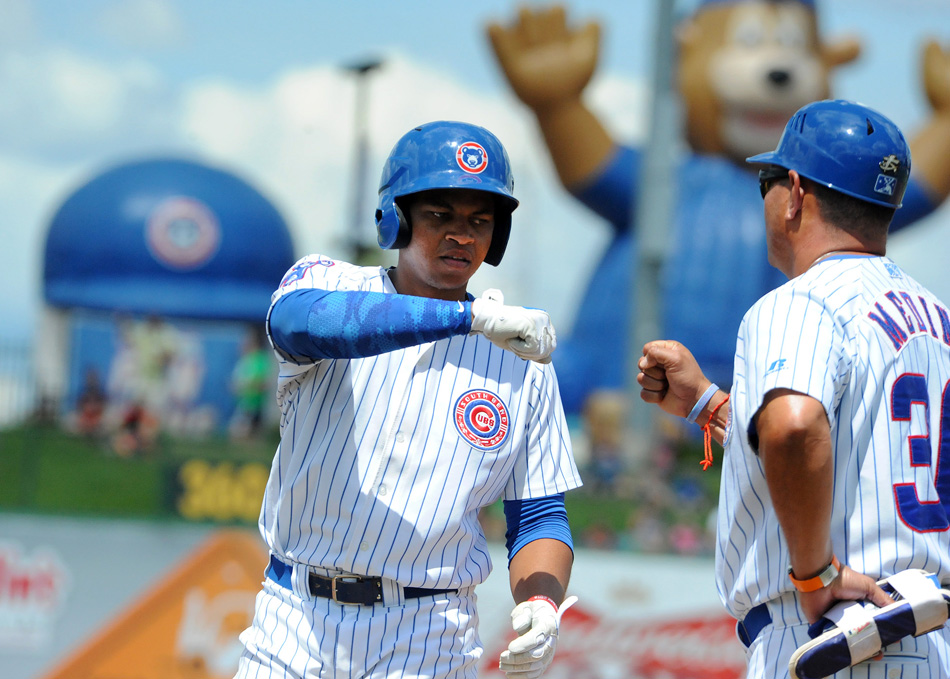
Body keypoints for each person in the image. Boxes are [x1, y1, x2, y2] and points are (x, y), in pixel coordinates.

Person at [234, 121, 583, 679]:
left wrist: (541, 602)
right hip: (296, 618)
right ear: (397, 217)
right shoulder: (331, 282)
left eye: (479, 220)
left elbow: (538, 513)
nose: (461, 235)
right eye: (439, 215)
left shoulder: (522, 354)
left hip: (430, 632)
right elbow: (305, 323)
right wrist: (468, 319)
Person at [636, 99, 950, 678]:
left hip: (831, 638)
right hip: (927, 641)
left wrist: (816, 574)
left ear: (797, 192)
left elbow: (796, 426)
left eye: (769, 181)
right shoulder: (936, 318)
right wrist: (711, 404)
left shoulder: (803, 299)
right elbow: (860, 450)